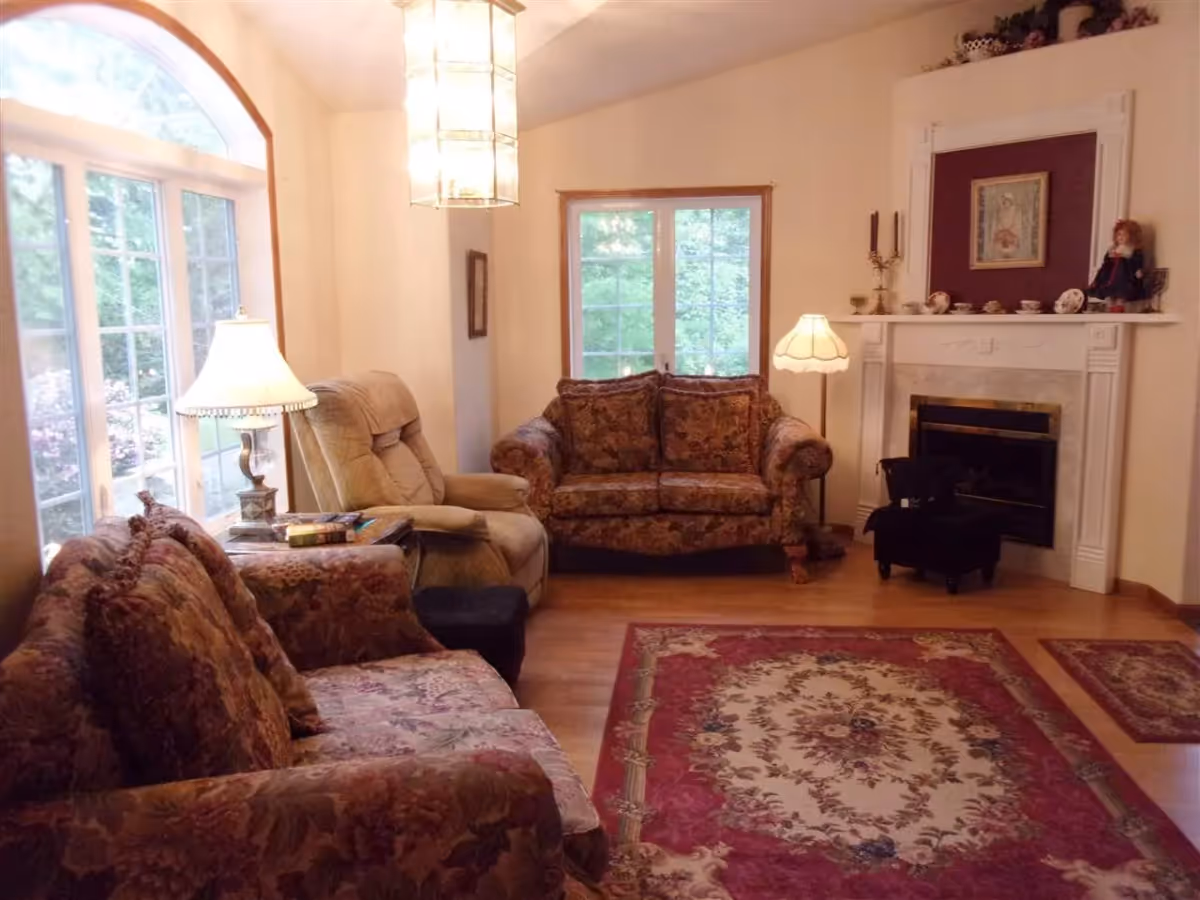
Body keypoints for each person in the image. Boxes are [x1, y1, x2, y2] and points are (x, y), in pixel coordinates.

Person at [1088, 219, 1145, 305]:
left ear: (1132, 236)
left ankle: (1120, 304)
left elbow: (1136, 263)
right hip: (1110, 277)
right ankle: (1110, 304)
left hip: (1124, 277)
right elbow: (1106, 262)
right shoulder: (1113, 249)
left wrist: (1137, 271)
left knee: (1122, 296)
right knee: (1109, 296)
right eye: (1119, 234)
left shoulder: (1133, 251)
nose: (1120, 237)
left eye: (1124, 235)